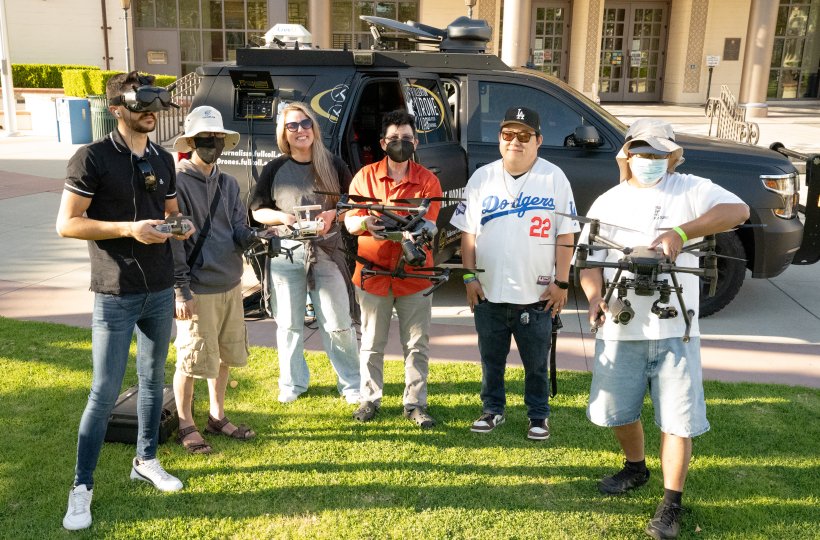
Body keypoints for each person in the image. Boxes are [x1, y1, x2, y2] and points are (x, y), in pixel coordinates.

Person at [577, 118, 749, 539]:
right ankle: (635, 468)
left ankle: (671, 503)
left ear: (671, 157)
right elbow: (589, 258)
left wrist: (679, 232)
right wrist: (595, 298)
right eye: (641, 153)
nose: (648, 162)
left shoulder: (690, 188)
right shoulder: (608, 201)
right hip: (621, 327)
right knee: (617, 412)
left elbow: (739, 211)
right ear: (627, 155)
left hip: (675, 330)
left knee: (677, 420)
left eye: (657, 155)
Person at [56, 71, 195, 531]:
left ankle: (146, 460)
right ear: (118, 109)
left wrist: (180, 226)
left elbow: (171, 212)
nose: (152, 114)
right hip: (115, 293)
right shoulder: (91, 158)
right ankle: (82, 487)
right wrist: (127, 229)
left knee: (153, 383)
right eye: (142, 107)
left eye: (156, 106)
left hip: (158, 290)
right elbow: (68, 224)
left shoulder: (162, 157)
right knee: (103, 392)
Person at [451, 106, 579, 441]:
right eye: (508, 135)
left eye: (524, 136)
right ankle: (492, 410)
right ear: (499, 139)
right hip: (489, 290)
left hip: (535, 294)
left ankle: (538, 416)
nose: (515, 142)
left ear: (538, 140)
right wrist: (468, 277)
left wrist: (562, 282)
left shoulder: (554, 178)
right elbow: (468, 233)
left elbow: (566, 234)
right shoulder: (483, 177)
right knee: (490, 359)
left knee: (536, 363)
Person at [249, 102, 360, 405]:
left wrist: (332, 216)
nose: (300, 130)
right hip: (286, 254)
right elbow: (258, 212)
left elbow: (352, 203)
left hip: (326, 253)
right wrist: (282, 218)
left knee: (338, 322)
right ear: (283, 133)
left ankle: (352, 384)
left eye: (305, 123)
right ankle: (292, 382)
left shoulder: (333, 163)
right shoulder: (275, 168)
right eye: (292, 126)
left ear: (314, 127)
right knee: (288, 324)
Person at [170, 106, 260, 454]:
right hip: (197, 288)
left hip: (231, 283)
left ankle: (217, 416)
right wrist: (180, 290)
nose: (212, 144)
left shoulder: (228, 183)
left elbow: (237, 227)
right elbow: (175, 241)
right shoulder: (176, 183)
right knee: (191, 359)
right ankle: (185, 423)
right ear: (191, 141)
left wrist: (252, 236)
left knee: (223, 356)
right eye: (205, 138)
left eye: (217, 138)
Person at [344, 110, 442, 429]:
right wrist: (365, 222)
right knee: (371, 342)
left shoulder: (428, 180)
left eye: (407, 138)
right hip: (373, 276)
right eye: (394, 138)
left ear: (416, 142)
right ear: (383, 142)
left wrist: (419, 232)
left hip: (415, 277)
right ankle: (369, 399)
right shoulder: (365, 176)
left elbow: (431, 223)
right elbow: (348, 218)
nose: (401, 143)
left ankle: (415, 403)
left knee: (417, 344)